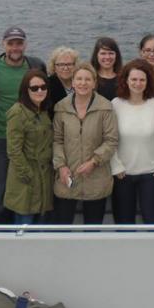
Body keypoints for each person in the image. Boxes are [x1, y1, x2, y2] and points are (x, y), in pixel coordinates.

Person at [0, 26, 46, 224]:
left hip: (31, 139)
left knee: (30, 189)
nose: (15, 48)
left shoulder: (36, 66)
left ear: (25, 44)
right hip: (0, 139)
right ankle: (2, 238)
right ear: (3, 44)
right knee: (0, 194)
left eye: (19, 43)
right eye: (11, 43)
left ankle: (27, 237)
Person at [53, 63, 118, 224]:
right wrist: (61, 166)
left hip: (96, 178)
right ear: (73, 82)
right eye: (79, 79)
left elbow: (111, 140)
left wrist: (94, 161)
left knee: (93, 229)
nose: (83, 83)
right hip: (67, 177)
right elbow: (57, 140)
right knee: (62, 228)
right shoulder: (61, 107)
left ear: (94, 83)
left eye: (87, 79)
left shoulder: (106, 107)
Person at [110, 59, 154, 224]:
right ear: (126, 80)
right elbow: (109, 139)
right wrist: (115, 165)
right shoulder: (115, 104)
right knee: (123, 222)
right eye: (134, 79)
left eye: (142, 79)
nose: (138, 83)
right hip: (123, 174)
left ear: (148, 81)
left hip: (151, 174)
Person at [4, 69, 54, 224]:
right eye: (34, 88)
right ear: (26, 90)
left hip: (44, 178)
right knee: (24, 226)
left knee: (40, 228)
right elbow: (14, 150)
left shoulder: (43, 111)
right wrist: (28, 175)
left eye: (43, 87)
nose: (40, 91)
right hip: (26, 181)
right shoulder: (17, 112)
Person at [90, 37, 123, 101]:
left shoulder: (123, 78)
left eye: (111, 53)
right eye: (103, 53)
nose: (107, 57)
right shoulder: (90, 78)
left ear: (116, 55)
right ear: (96, 55)